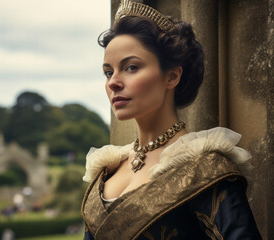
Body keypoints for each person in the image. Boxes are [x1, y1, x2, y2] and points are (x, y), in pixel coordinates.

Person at [80, 0, 262, 239]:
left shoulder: (205, 170)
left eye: (131, 67)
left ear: (172, 76)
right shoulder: (106, 170)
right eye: (108, 71)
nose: (113, 82)